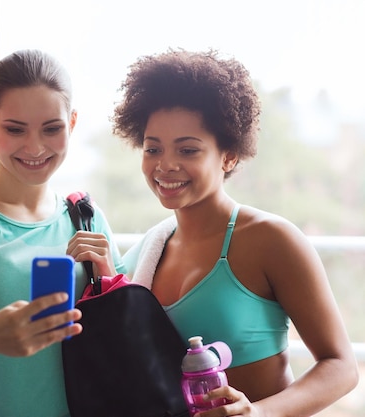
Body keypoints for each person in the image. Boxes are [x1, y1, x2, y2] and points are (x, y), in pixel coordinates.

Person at [112, 49, 358, 416]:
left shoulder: (271, 240)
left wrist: (259, 413)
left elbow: (341, 367)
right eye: (153, 148)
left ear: (228, 156)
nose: (166, 164)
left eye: (188, 149)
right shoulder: (146, 251)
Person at [0, 49, 125, 417]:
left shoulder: (86, 217)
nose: (35, 148)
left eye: (52, 128)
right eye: (15, 129)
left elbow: (123, 339)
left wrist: (109, 276)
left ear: (73, 123)